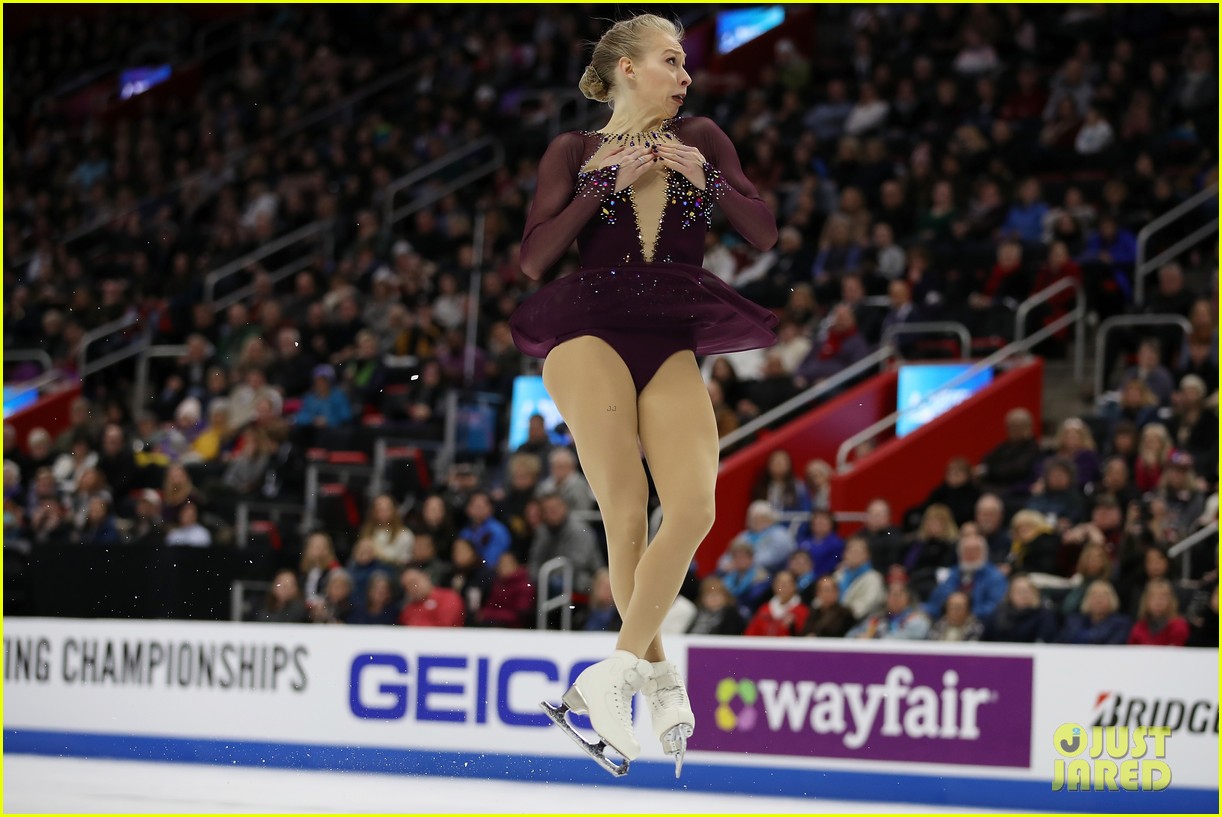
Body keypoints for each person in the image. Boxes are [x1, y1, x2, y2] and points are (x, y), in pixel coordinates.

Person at [507, 13, 780, 767]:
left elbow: (763, 232)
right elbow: (534, 259)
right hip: (588, 334)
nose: (685, 74)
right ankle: (654, 678)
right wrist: (602, 187)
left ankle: (619, 675)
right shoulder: (574, 150)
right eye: (671, 60)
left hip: (671, 339)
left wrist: (710, 179)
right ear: (627, 69)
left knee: (694, 507)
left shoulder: (706, 140)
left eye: (686, 62)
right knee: (626, 514)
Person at [922, 532, 1008, 622]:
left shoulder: (995, 577)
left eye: (975, 551)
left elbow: (995, 607)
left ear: (984, 553)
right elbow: (936, 600)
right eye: (966, 551)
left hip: (979, 623)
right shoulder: (953, 573)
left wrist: (965, 614)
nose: (970, 555)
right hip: (947, 621)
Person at [983, 574, 1059, 643]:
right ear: (1010, 594)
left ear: (1035, 593)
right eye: (1019, 591)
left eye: (1028, 591)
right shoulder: (999, 614)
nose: (1024, 595)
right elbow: (984, 641)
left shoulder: (1045, 615)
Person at [847, 581, 931, 640]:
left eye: (899, 594)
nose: (895, 598)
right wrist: (858, 637)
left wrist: (874, 640)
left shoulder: (917, 618)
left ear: (908, 598)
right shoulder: (877, 619)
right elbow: (850, 635)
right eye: (892, 594)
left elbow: (914, 635)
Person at [1056, 580, 1132, 645]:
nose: (1099, 600)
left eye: (1104, 596)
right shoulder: (1073, 621)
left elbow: (1112, 645)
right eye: (1094, 595)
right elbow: (1060, 643)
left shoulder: (1121, 623)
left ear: (1112, 600)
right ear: (1086, 600)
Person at [831, 534, 886, 622]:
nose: (854, 555)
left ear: (867, 555)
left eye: (859, 551)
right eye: (851, 551)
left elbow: (866, 606)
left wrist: (838, 615)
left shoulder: (874, 578)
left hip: (861, 623)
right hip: (833, 621)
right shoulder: (838, 575)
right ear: (844, 554)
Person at [744, 570, 809, 637]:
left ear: (794, 586)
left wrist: (792, 627)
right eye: (780, 583)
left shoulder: (802, 611)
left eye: (787, 583)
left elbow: (802, 637)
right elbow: (750, 634)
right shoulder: (764, 609)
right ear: (774, 586)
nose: (783, 587)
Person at [1127, 577, 1190, 646]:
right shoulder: (1139, 627)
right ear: (1146, 601)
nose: (1158, 603)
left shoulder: (1178, 626)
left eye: (1162, 598)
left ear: (1171, 601)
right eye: (1154, 598)